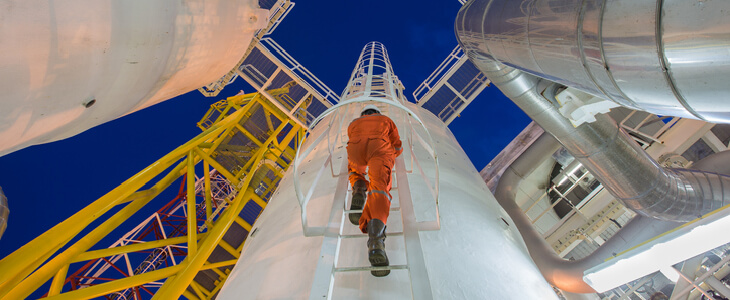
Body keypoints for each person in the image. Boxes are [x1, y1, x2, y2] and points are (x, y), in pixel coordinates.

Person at [346, 104, 402, 277]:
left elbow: (351, 138)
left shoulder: (353, 123)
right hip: (379, 148)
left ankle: (359, 188)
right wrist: (392, 155)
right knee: (379, 191)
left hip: (355, 149)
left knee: (354, 169)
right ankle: (376, 243)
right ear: (377, 113)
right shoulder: (386, 120)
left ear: (363, 114)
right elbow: (397, 146)